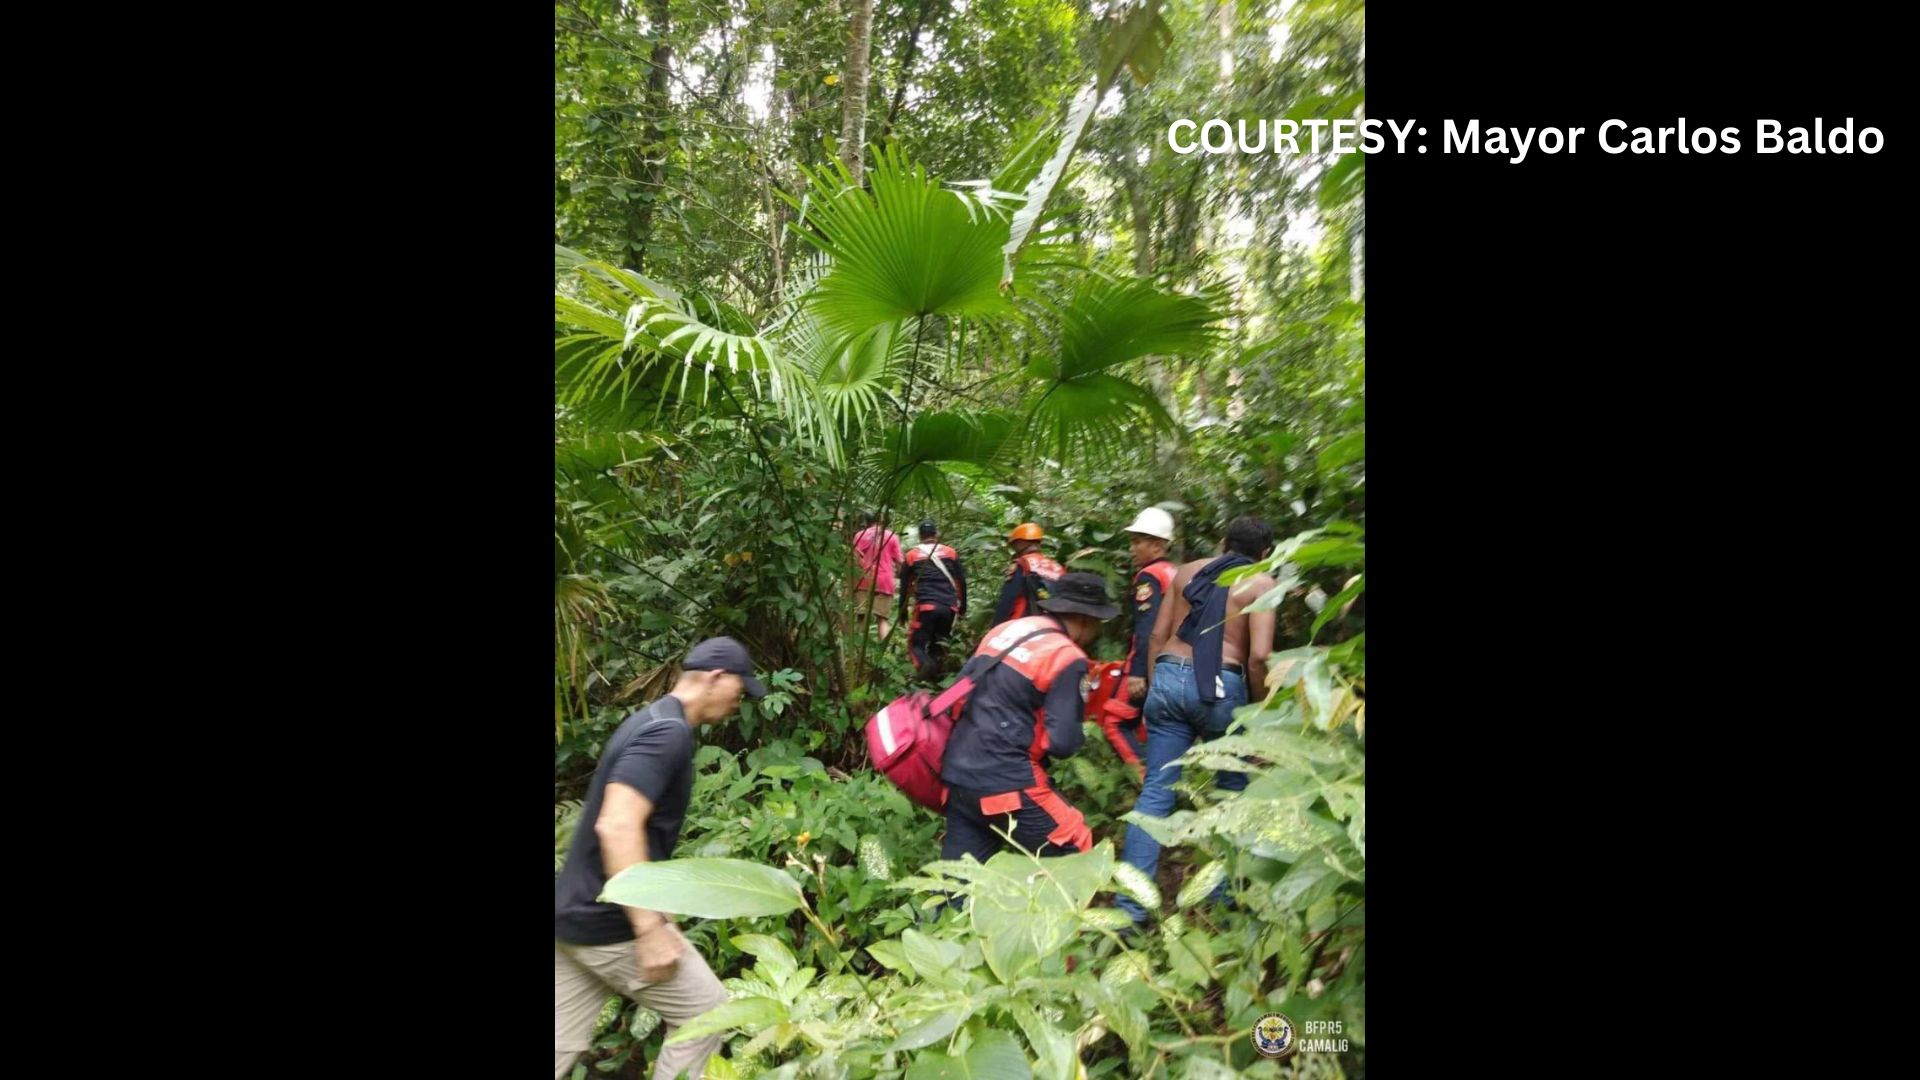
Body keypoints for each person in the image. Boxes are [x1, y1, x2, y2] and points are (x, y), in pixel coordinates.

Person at [554, 637, 768, 1080]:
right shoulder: (667, 735)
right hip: (610, 923)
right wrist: (649, 929)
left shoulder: (649, 720)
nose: (740, 700)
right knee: (706, 1014)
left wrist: (664, 916)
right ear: (715, 677)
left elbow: (639, 838)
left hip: (571, 914)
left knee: (560, 1043)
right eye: (739, 688)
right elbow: (616, 825)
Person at [1115, 517, 1277, 925]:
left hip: (1169, 674)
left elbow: (1156, 636)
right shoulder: (1262, 585)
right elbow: (1258, 657)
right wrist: (1258, 715)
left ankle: (1131, 912)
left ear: (1222, 544)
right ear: (1266, 554)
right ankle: (1224, 908)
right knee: (1232, 793)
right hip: (1224, 685)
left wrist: (1157, 688)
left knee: (1155, 794)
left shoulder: (1186, 572)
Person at [939, 572, 1119, 863]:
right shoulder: (1066, 656)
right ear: (1088, 620)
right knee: (1077, 851)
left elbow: (957, 692)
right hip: (1005, 782)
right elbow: (1062, 744)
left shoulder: (1006, 631)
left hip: (957, 774)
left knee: (958, 885)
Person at [1095, 507, 1180, 774]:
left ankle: (1146, 782)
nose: (1132, 548)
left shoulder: (1150, 577)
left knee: (1114, 721)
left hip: (1151, 662)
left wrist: (1139, 673)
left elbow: (1148, 628)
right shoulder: (1174, 573)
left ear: (1157, 545)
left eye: (1137, 542)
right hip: (1177, 663)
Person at [898, 519, 968, 681]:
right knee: (939, 644)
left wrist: (902, 613)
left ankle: (924, 668)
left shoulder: (911, 555)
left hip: (926, 607)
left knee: (916, 645)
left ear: (920, 536)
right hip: (949, 608)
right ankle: (935, 681)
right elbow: (961, 581)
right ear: (936, 534)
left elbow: (904, 587)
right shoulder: (951, 552)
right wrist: (963, 606)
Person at [990, 522, 1066, 625]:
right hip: (1055, 624)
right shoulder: (1058, 567)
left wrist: (996, 627)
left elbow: (1008, 600)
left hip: (1023, 624)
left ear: (1020, 543)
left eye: (1015, 544)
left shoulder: (1023, 564)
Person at [851, 511, 903, 640]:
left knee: (861, 617)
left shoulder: (859, 535)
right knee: (882, 619)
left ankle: (860, 653)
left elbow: (855, 559)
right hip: (885, 581)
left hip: (863, 579)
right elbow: (900, 563)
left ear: (867, 521)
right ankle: (884, 654)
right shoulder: (892, 536)